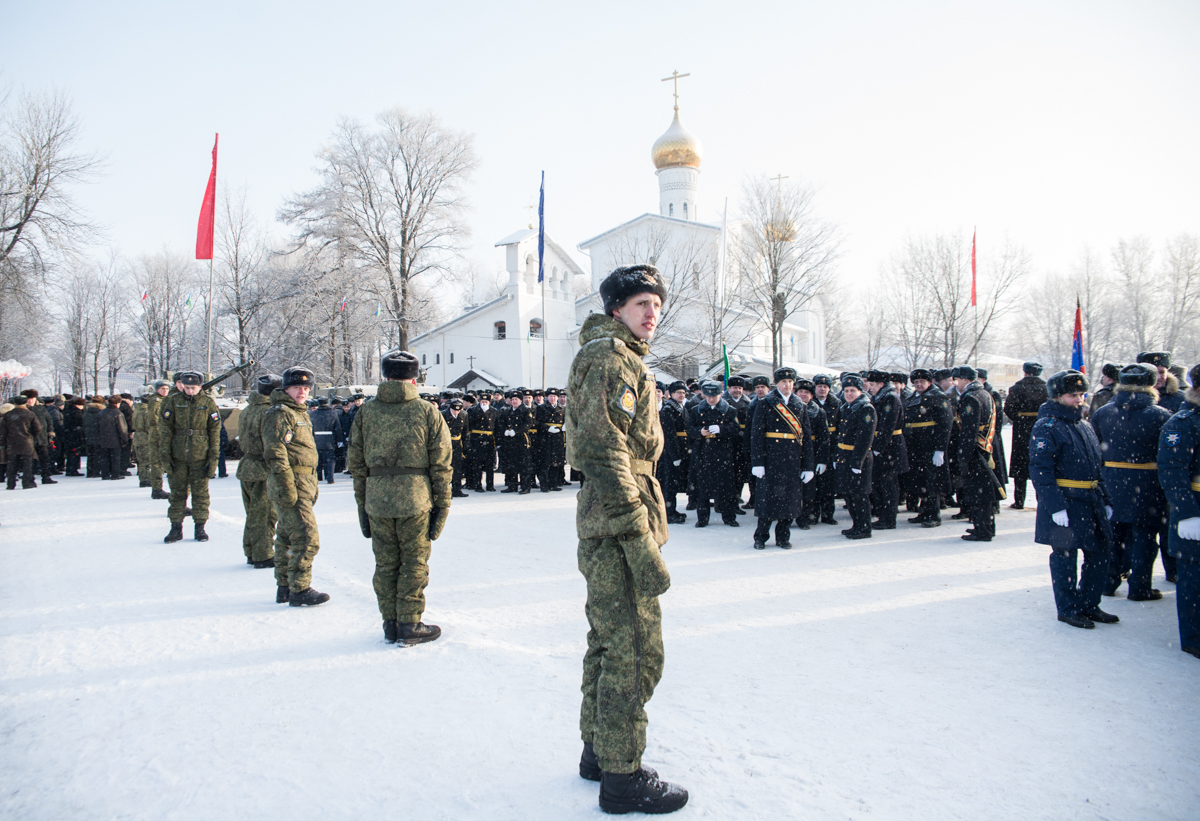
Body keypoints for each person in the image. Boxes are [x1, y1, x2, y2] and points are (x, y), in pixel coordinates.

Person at [564, 265, 687, 814]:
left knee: (609, 642)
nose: (651, 313)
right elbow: (606, 453)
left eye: (655, 305)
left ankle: (599, 753)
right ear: (617, 309)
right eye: (640, 304)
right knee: (635, 651)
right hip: (618, 520)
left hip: (610, 515)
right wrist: (639, 536)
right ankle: (623, 777)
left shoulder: (614, 356)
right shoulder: (611, 360)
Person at [348, 350, 451, 645]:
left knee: (385, 563)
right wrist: (443, 504)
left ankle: (390, 622)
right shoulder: (427, 411)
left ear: (385, 376)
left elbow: (356, 464)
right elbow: (441, 463)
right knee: (413, 561)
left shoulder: (366, 412)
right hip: (415, 498)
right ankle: (409, 623)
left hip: (377, 499)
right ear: (415, 379)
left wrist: (362, 505)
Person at [1028, 369, 1117, 629]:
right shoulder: (1047, 426)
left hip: (1091, 499)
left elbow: (1097, 467)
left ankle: (1090, 603)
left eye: (1081, 394)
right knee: (1065, 557)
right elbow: (1040, 468)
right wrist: (1055, 506)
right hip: (1066, 501)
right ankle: (1068, 608)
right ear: (1057, 397)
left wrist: (1107, 499)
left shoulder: (1084, 425)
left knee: (1098, 552)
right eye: (1072, 395)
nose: (1078, 400)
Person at [1091, 363, 1171, 602]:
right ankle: (1139, 587)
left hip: (1111, 482)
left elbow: (1095, 449)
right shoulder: (1161, 415)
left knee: (1113, 536)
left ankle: (1108, 581)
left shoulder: (1103, 412)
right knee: (1145, 539)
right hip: (1148, 485)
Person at [263, 367, 327, 606]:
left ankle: (285, 586)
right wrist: (286, 486)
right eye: (297, 387)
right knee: (306, 537)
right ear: (286, 389)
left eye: (306, 388)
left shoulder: (299, 412)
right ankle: (299, 588)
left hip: (304, 482)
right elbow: (276, 453)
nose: (302, 392)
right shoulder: (281, 413)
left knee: (287, 536)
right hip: (292, 483)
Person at [1156, 363, 1200, 659]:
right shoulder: (1183, 422)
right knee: (1193, 578)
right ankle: (1194, 637)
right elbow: (1173, 471)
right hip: (1195, 507)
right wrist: (1187, 513)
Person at [749, 367, 815, 549]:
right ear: (776, 384)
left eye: (790, 382)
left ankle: (783, 537)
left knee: (789, 502)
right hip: (771, 458)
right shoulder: (766, 403)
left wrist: (808, 466)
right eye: (783, 382)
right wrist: (757, 462)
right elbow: (756, 435)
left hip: (792, 460)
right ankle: (760, 537)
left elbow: (807, 438)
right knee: (767, 501)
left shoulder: (800, 405)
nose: (787, 385)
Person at [159, 372, 221, 543]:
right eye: (187, 388)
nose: (190, 391)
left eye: (193, 388)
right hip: (178, 455)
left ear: (200, 387)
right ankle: (175, 528)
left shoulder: (208, 403)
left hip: (200, 456)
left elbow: (215, 432)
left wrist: (213, 458)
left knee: (200, 494)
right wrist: (165, 455)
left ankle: (200, 527)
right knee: (177, 494)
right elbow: (165, 429)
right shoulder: (173, 401)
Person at [237, 374, 282, 569]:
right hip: (263, 468)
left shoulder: (247, 410)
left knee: (252, 513)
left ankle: (251, 550)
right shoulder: (269, 412)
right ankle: (262, 554)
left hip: (248, 465)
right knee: (264, 514)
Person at [687, 380, 742, 528]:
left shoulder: (730, 410)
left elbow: (736, 430)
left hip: (723, 452)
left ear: (720, 395)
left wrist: (722, 430)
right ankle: (702, 518)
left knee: (726, 487)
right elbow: (689, 430)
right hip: (703, 452)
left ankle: (729, 517)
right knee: (702, 488)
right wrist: (700, 432)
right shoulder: (695, 410)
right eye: (708, 396)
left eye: (715, 396)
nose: (711, 399)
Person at [903, 369, 953, 528]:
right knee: (919, 480)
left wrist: (940, 449)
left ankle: (934, 514)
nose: (918, 385)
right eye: (916, 382)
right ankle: (923, 511)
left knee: (932, 482)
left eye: (922, 382)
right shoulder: (911, 398)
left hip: (930, 444)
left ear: (929, 382)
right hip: (915, 445)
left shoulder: (938, 397)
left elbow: (945, 425)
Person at [954, 366, 997, 542]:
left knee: (979, 492)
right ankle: (985, 525)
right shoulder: (984, 393)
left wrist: (963, 455)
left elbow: (968, 430)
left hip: (975, 450)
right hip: (983, 447)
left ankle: (983, 529)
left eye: (957, 380)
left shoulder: (971, 398)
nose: (957, 384)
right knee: (983, 491)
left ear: (965, 380)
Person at [836, 374, 877, 539]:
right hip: (845, 456)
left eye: (853, 390)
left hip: (858, 457)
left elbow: (865, 438)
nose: (849, 394)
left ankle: (864, 527)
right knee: (849, 494)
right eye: (846, 390)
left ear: (860, 391)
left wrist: (857, 462)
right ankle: (856, 525)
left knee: (859, 494)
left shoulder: (866, 408)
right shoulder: (847, 407)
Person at [865, 369, 907, 530]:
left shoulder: (890, 398)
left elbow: (887, 426)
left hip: (890, 447)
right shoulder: (881, 397)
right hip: (882, 445)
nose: (870, 388)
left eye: (873, 384)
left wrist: (878, 448)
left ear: (881, 384)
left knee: (888, 485)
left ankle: (889, 518)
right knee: (880, 483)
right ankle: (883, 515)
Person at [1005, 361, 1048, 509]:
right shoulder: (1047, 388)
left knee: (1020, 465)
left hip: (1021, 429)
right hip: (1041, 427)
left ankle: (1019, 501)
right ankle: (1041, 499)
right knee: (1040, 462)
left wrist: (1019, 418)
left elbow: (1009, 409)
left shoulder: (1016, 388)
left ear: (1025, 372)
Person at [794, 378, 830, 527]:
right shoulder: (790, 408)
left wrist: (822, 459)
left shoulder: (818, 412)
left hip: (812, 451)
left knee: (809, 488)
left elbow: (824, 437)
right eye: (800, 391)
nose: (803, 394)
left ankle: (806, 516)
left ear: (811, 395)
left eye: (806, 392)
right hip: (794, 451)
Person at [657, 380, 690, 524]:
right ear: (671, 394)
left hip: (682, 448)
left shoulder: (681, 407)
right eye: (678, 393)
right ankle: (668, 511)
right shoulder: (669, 409)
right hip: (671, 451)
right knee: (669, 483)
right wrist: (674, 455)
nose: (681, 395)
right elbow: (669, 435)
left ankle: (672, 509)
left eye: (683, 393)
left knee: (675, 482)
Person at [811, 374, 841, 524]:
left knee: (828, 484)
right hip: (814, 444)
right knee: (814, 483)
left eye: (825, 387)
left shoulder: (836, 403)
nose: (822, 389)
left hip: (831, 445)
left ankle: (828, 514)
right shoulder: (811, 403)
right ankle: (813, 514)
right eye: (819, 386)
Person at [1, 395, 41, 489]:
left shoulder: (8, 414)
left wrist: (3, 442)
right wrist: (32, 435)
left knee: (12, 464)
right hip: (27, 442)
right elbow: (38, 428)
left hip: (12, 442)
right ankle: (26, 483)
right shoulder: (30, 414)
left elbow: (3, 431)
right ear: (25, 402)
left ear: (14, 403)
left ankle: (10, 484)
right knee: (27, 463)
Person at [20, 391, 57, 485]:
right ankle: (30, 478)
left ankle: (46, 476)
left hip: (42, 437)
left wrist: (50, 432)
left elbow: (49, 420)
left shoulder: (40, 408)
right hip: (29, 439)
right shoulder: (23, 410)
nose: (30, 401)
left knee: (45, 458)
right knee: (30, 460)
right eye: (28, 399)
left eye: (32, 399)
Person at [465, 391, 498, 491]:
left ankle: (490, 485)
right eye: (482, 401)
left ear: (489, 402)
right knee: (477, 464)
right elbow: (469, 423)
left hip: (489, 439)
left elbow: (496, 426)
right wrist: (481, 412)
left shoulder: (494, 411)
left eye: (486, 401)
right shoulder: (472, 410)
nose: (484, 403)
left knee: (489, 464)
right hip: (476, 439)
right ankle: (477, 485)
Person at [536, 389, 567, 492]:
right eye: (550, 396)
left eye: (554, 396)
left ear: (557, 398)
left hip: (558, 438)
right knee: (545, 463)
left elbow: (566, 420)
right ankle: (544, 485)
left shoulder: (562, 408)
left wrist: (565, 426)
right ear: (547, 397)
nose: (552, 398)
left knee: (556, 462)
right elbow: (537, 422)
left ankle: (554, 484)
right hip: (546, 438)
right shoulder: (541, 408)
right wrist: (547, 428)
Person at [145, 380, 171, 498]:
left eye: (166, 388)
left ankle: (158, 488)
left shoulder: (163, 400)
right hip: (157, 434)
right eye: (162, 389)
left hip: (160, 433)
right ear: (157, 390)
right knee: (156, 463)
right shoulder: (156, 401)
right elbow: (154, 420)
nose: (165, 391)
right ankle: (157, 488)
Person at [97, 395, 129, 480]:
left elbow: (97, 426)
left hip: (103, 438)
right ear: (117, 403)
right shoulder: (118, 413)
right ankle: (115, 474)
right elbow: (122, 428)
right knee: (115, 458)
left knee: (105, 458)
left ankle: (105, 474)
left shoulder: (101, 412)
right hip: (115, 439)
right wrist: (125, 439)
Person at [442, 397, 469, 497]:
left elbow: (465, 431)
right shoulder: (443, 415)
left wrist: (466, 446)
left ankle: (457, 489)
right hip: (446, 443)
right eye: (454, 410)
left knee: (457, 468)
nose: (456, 412)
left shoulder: (464, 415)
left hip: (457, 443)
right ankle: (445, 490)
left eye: (458, 410)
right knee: (445, 468)